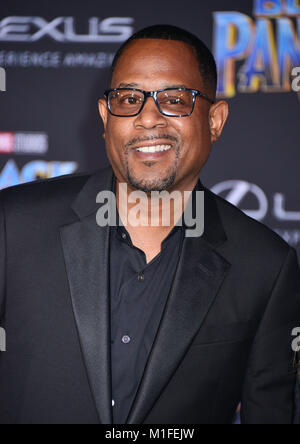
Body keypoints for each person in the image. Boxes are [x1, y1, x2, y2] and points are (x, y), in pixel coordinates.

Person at [0, 24, 299, 425]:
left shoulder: (266, 265)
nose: (148, 118)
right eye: (129, 99)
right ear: (106, 117)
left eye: (174, 100)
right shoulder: (13, 226)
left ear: (215, 120)